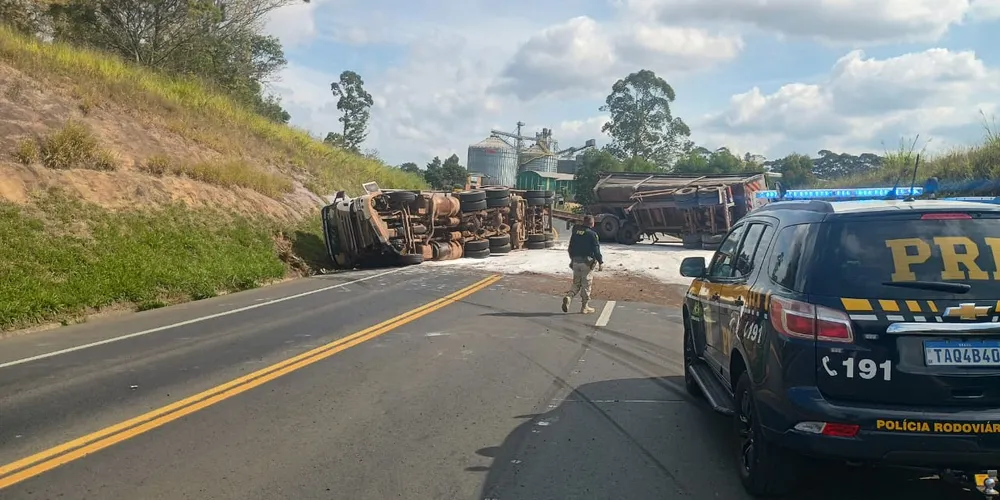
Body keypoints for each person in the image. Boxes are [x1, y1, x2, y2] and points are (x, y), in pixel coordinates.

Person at [562, 215, 604, 314]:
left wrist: (572, 260)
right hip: (586, 263)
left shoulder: (575, 233)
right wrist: (600, 261)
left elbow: (570, 248)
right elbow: (596, 250)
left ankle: (569, 296)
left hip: (576, 262)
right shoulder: (592, 234)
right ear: (592, 223)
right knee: (586, 285)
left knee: (576, 283)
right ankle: (584, 307)